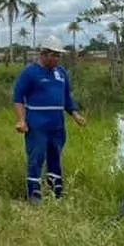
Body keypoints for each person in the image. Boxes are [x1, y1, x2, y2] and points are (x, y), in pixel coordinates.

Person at [13, 36, 87, 204]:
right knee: (36, 158)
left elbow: (67, 97)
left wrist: (75, 114)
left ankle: (56, 193)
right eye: (54, 55)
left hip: (57, 125)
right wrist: (21, 120)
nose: (57, 59)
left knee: (55, 157)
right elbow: (18, 98)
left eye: (59, 55)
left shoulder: (61, 73)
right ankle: (34, 195)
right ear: (44, 54)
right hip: (37, 125)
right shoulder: (30, 73)